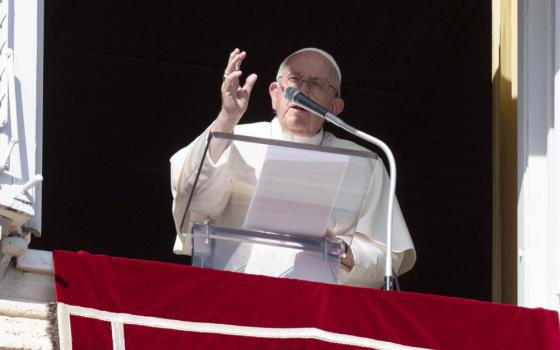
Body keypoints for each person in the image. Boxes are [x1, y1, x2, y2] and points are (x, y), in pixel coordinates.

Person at [170, 48, 415, 288]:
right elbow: (196, 206)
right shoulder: (232, 138)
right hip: (236, 293)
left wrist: (341, 251)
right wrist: (226, 117)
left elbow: (387, 260)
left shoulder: (364, 163)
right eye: (294, 79)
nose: (303, 89)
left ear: (334, 107)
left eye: (318, 84)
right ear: (275, 94)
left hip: (319, 310)